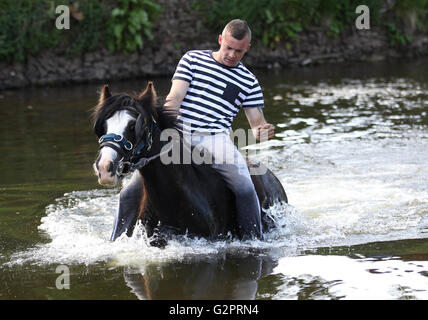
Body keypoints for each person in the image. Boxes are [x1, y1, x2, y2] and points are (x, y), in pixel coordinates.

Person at [164, 19, 275, 240]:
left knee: (244, 187)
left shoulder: (248, 81)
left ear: (247, 49)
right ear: (220, 40)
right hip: (178, 131)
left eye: (239, 51)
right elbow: (174, 99)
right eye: (228, 48)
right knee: (134, 186)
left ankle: (254, 242)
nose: (232, 55)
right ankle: (116, 240)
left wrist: (262, 130)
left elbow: (256, 123)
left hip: (215, 138)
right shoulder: (192, 59)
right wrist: (166, 130)